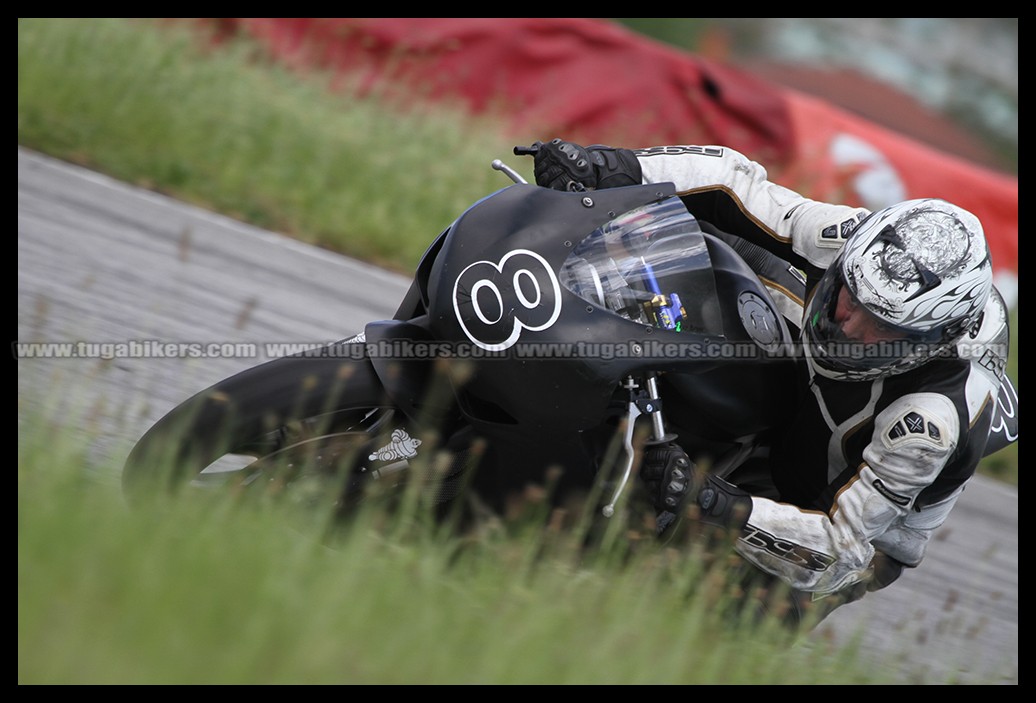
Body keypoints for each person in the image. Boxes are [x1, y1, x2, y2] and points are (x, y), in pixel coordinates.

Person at [523, 138, 1014, 626]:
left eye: (882, 328)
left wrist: (716, 504)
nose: (849, 327)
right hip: (809, 391)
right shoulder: (860, 248)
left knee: (713, 626)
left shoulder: (929, 424)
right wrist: (614, 166)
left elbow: (843, 550)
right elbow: (737, 185)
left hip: (847, 517)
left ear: (926, 344)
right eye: (849, 299)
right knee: (717, 246)